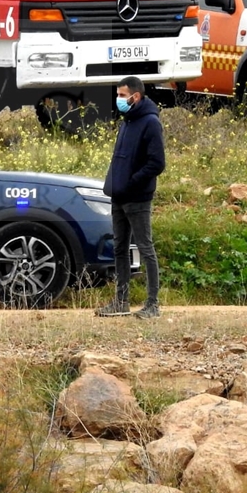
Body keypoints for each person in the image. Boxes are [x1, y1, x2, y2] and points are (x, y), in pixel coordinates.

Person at [96, 76, 165, 319]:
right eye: (118, 95)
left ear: (136, 96)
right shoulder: (127, 121)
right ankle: (120, 301)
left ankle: (152, 304)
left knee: (145, 248)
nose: (119, 100)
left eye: (123, 95)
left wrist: (132, 182)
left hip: (137, 198)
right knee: (119, 249)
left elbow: (157, 163)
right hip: (118, 196)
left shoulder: (150, 123)